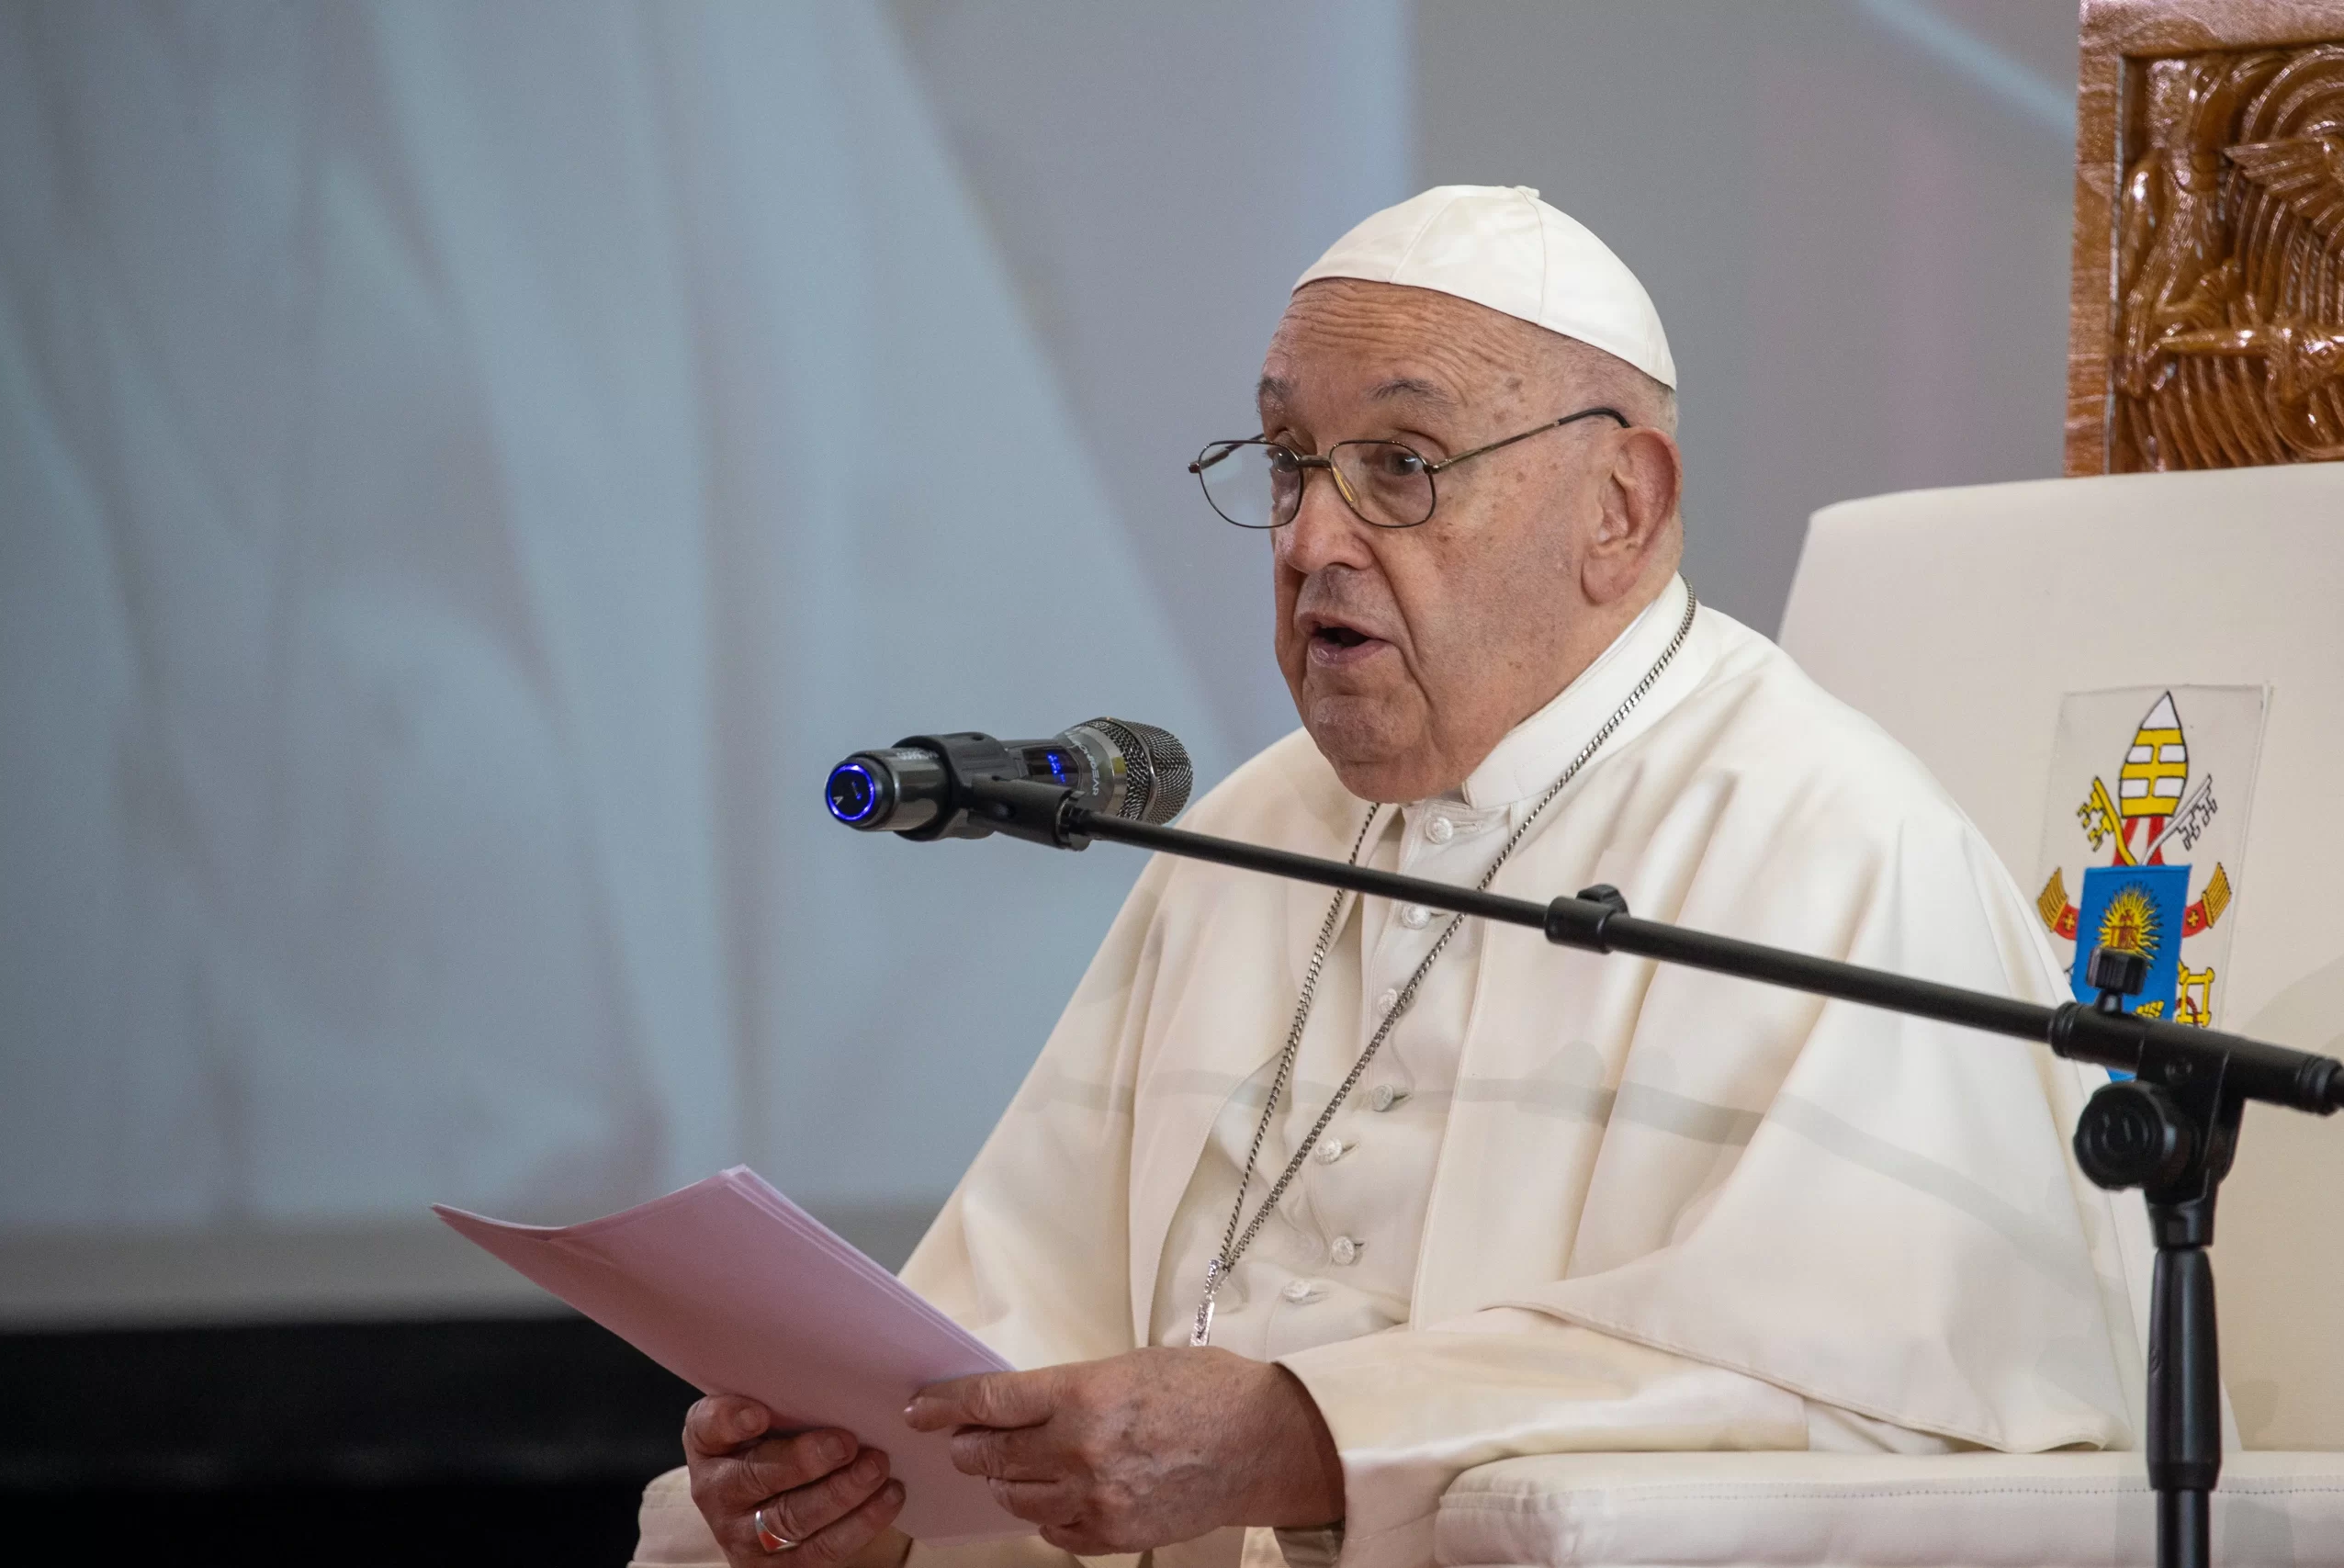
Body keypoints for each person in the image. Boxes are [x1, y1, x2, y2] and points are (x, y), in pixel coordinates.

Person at [652, 186, 2142, 1568]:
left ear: (1620, 507)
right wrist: (873, 1489)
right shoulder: (1257, 826)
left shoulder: (1828, 843)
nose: (1310, 541)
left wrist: (1308, 1437)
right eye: (1291, 464)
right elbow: (1018, 1327)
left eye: (1401, 469)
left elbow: (1898, 1388)